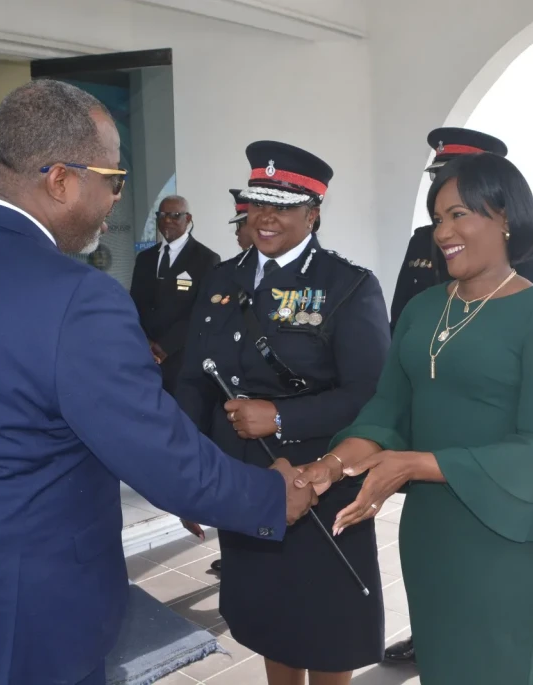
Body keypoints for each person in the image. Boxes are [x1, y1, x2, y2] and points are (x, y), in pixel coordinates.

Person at [0, 79, 317, 685]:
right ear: (60, 180)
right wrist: (270, 495)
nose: (115, 199)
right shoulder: (77, 298)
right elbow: (159, 455)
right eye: (114, 179)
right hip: (35, 621)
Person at [297, 153, 533, 684]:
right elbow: (387, 410)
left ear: (505, 217)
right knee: (440, 664)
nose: (442, 232)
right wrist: (333, 464)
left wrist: (415, 464)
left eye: (459, 215)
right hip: (432, 528)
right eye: (437, 218)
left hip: (506, 530)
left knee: (495, 668)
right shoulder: (424, 308)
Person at [175, 141, 389, 685]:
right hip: (242, 480)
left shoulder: (348, 286)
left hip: (318, 480)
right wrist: (188, 476)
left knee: (326, 627)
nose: (265, 217)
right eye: (257, 204)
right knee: (270, 618)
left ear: (312, 214)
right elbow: (193, 382)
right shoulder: (221, 279)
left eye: (284, 206)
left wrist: (281, 418)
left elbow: (371, 395)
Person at [389, 128, 533, 332]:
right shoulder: (423, 239)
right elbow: (400, 322)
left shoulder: (523, 241)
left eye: (458, 178)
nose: (444, 185)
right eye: (438, 176)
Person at [130, 195, 220, 395]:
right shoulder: (144, 258)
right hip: (145, 356)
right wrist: (145, 342)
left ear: (188, 219)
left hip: (182, 359)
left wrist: (165, 346)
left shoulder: (206, 259)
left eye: (175, 215)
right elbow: (134, 303)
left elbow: (203, 311)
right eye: (162, 215)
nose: (167, 220)